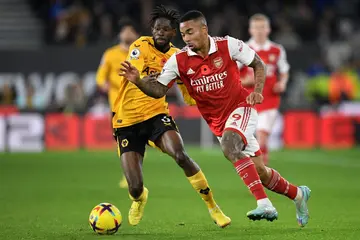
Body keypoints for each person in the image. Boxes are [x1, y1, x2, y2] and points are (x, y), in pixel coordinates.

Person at [120, 10, 311, 227]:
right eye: (183, 35)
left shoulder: (228, 45)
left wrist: (257, 90)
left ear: (204, 29)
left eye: (190, 32)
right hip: (217, 122)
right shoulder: (178, 60)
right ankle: (298, 195)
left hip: (241, 107)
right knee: (261, 172)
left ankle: (264, 204)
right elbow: (158, 90)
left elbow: (258, 63)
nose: (187, 38)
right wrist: (138, 81)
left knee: (230, 147)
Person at [113, 6, 230, 227]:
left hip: (157, 115)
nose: (159, 32)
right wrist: (140, 79)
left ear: (173, 34)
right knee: (135, 187)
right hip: (126, 120)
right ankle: (139, 198)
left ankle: (213, 206)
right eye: (157, 28)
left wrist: (209, 96)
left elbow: (189, 95)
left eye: (165, 29)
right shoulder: (140, 46)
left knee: (180, 155)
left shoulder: (178, 57)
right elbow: (140, 79)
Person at [240, 14, 290, 165]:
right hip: (247, 101)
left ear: (268, 29)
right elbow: (231, 74)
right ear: (250, 30)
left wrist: (283, 83)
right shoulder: (243, 49)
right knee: (249, 141)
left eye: (262, 27)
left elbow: (284, 71)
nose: (259, 31)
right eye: (256, 27)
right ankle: (257, 170)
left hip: (269, 100)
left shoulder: (276, 50)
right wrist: (244, 81)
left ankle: (263, 171)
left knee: (262, 136)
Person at [96, 20, 140, 188]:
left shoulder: (141, 53)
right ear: (120, 35)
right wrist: (103, 84)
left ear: (136, 35)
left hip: (139, 102)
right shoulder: (110, 54)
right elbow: (100, 76)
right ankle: (128, 174)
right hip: (117, 105)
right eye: (125, 30)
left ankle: (134, 173)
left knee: (138, 140)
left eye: (131, 30)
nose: (127, 33)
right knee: (123, 141)